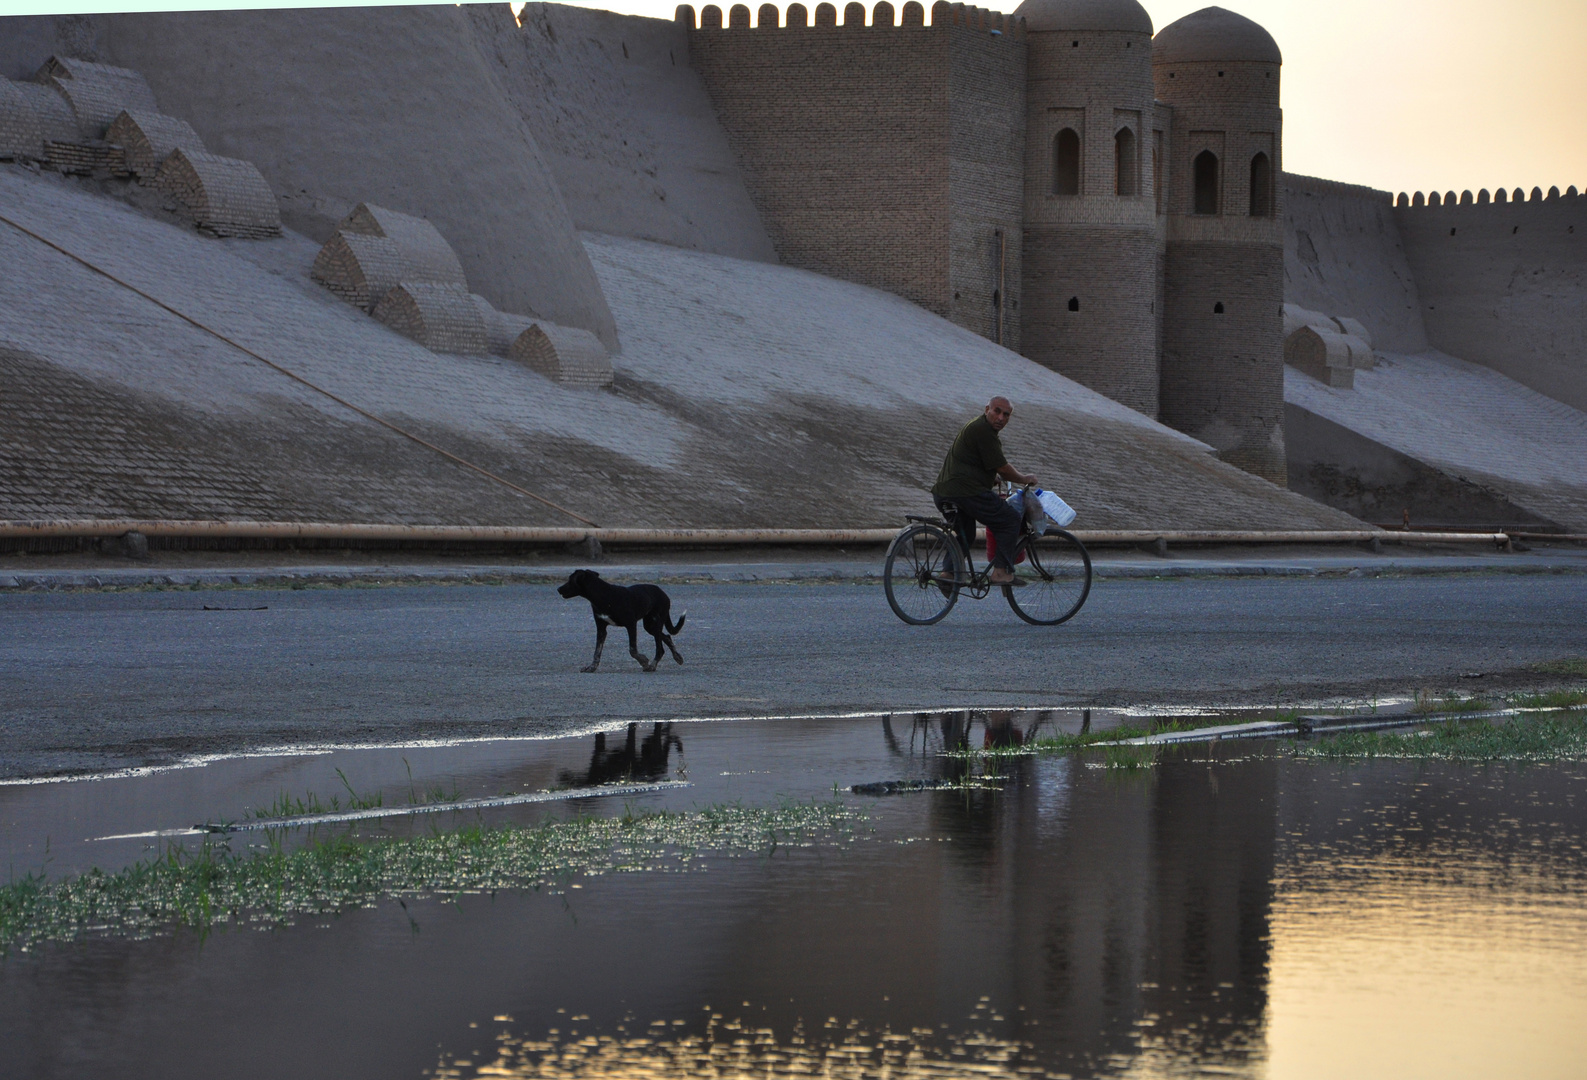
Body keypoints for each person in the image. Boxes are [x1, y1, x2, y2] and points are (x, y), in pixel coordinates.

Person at [930, 396, 1037, 586]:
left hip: (945, 492)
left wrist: (989, 478)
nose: (1001, 418)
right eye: (997, 411)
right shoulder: (983, 431)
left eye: (1006, 415)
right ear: (987, 408)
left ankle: (947, 573)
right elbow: (1003, 467)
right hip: (965, 492)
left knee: (966, 534)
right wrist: (1024, 478)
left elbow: (972, 461)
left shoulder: (976, 426)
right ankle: (1000, 572)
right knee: (1010, 519)